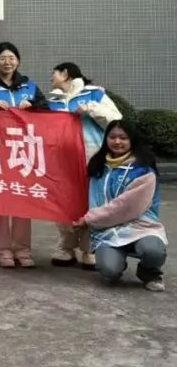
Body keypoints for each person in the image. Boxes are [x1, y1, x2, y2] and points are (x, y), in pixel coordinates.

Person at [0, 42, 46, 268]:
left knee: (23, 199)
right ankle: (2, 248)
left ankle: (22, 249)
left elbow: (46, 109)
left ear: (18, 61)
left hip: (24, 151)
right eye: (3, 58)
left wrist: (32, 104)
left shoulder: (29, 86)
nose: (7, 62)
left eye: (12, 58)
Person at [75, 121, 167, 292]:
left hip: (140, 227)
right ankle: (115, 263)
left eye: (123, 138)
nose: (117, 141)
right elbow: (90, 197)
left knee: (153, 251)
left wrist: (89, 219)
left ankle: (149, 272)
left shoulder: (143, 170)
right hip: (107, 231)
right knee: (109, 271)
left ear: (132, 140)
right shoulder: (98, 166)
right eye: (112, 137)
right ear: (106, 139)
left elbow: (125, 207)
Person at [48, 62, 123, 269]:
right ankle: (66, 247)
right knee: (65, 202)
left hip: (92, 154)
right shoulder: (53, 101)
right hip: (62, 159)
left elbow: (116, 120)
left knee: (92, 201)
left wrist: (91, 109)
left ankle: (90, 249)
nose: (51, 78)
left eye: (54, 73)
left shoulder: (94, 94)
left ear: (65, 73)